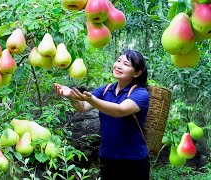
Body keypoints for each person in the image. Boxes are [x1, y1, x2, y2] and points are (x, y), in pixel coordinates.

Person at [53, 49, 150, 180]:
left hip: (133, 160)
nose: (119, 65)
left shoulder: (140, 93)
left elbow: (119, 110)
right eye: (118, 61)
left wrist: (92, 99)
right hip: (107, 157)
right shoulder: (105, 89)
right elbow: (82, 108)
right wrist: (71, 97)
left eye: (126, 64)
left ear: (137, 73)